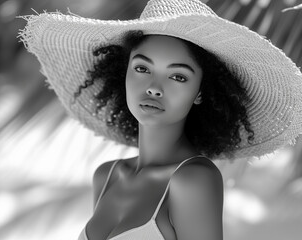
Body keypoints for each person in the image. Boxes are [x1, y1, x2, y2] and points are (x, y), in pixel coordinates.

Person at [18, 0, 302, 239]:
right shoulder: (107, 177)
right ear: (122, 73)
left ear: (200, 93)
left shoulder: (193, 180)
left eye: (178, 76)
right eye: (142, 68)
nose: (154, 86)